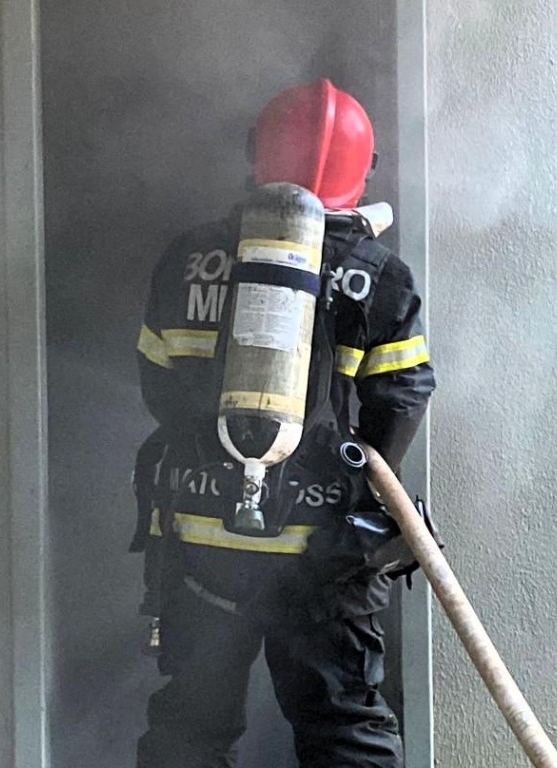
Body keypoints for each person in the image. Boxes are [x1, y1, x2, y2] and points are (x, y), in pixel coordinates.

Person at [132, 79, 435, 768]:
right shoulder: (381, 277)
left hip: (201, 546)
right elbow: (401, 403)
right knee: (343, 731)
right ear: (364, 173)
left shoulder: (187, 260)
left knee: (188, 730)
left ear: (256, 155)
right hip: (324, 556)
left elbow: (158, 387)